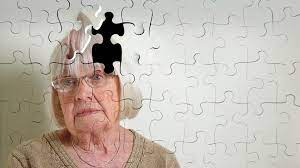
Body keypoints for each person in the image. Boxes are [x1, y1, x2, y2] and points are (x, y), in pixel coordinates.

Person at [8, 9, 180, 168]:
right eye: (68, 82)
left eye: (97, 76)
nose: (81, 94)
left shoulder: (161, 161)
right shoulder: (26, 160)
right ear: (57, 98)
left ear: (122, 85)